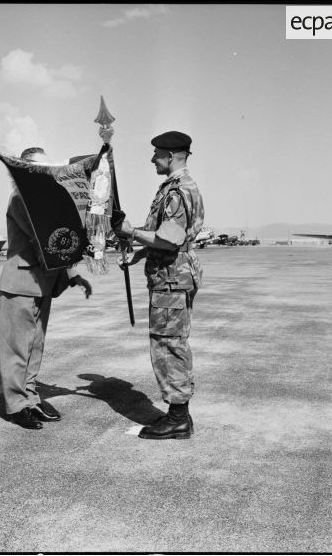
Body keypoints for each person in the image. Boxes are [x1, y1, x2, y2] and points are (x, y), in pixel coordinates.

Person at [113, 131, 204, 440]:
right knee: (169, 342)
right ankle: (179, 415)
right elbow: (167, 239)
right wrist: (138, 255)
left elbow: (169, 238)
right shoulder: (174, 189)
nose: (153, 159)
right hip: (169, 276)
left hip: (170, 280)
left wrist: (131, 232)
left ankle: (178, 418)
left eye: (157, 154)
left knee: (169, 345)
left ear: (171, 156)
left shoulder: (178, 191)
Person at [0, 146, 93, 430]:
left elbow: (56, 241)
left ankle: (31, 398)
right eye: (41, 169)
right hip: (20, 283)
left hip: (41, 284)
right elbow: (46, 240)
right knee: (17, 348)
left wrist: (74, 273)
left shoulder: (42, 200)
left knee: (34, 347)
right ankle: (16, 405)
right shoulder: (21, 199)